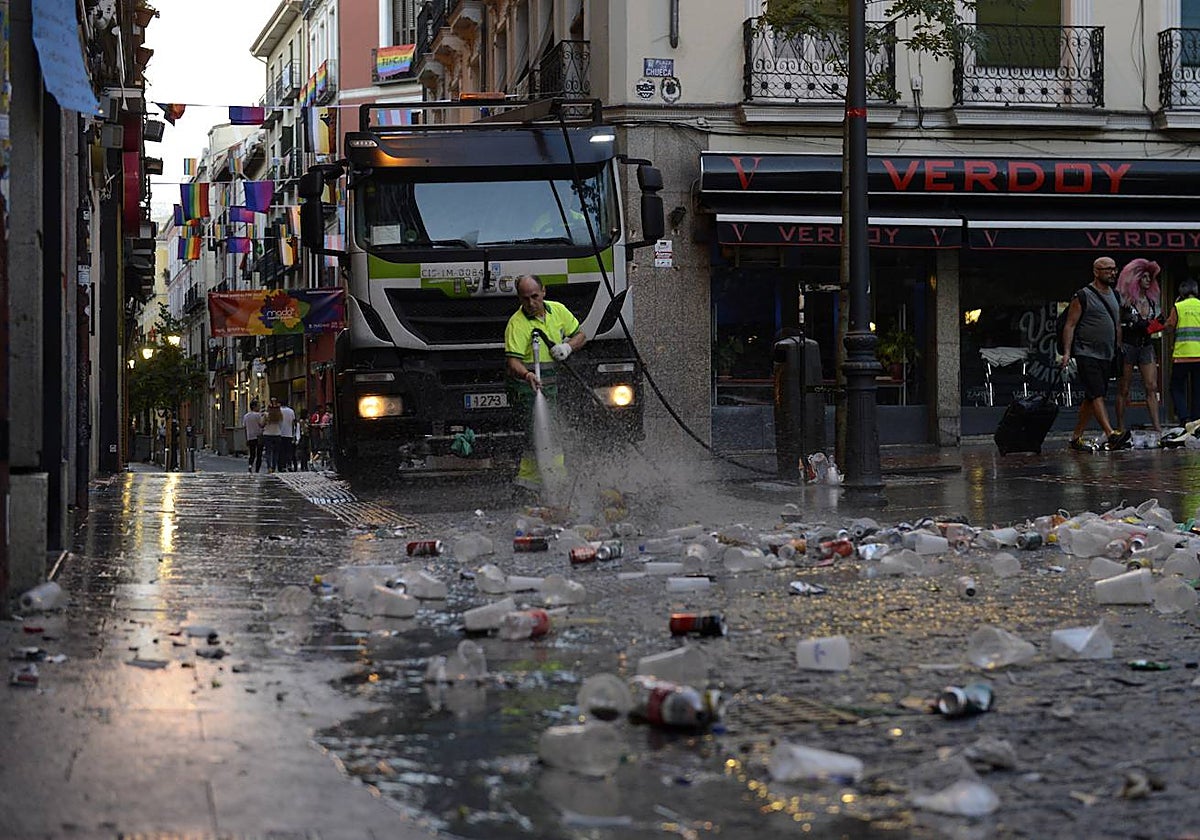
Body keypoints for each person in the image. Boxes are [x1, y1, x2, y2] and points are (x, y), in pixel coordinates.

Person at [504, 274, 587, 492]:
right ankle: (550, 482)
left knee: (548, 433)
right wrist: (527, 375)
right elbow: (513, 361)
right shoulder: (517, 324)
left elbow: (580, 335)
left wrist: (567, 347)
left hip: (553, 386)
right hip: (528, 389)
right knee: (542, 433)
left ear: (544, 292)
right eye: (525, 299)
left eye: (534, 296)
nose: (531, 303)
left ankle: (531, 483)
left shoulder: (558, 310)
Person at [1060, 256, 1131, 451]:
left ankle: (1076, 437)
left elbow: (1116, 325)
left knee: (1091, 396)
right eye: (1107, 269)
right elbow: (1070, 325)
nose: (1112, 273)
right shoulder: (1083, 295)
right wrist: (1067, 352)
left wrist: (1118, 347)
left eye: (1114, 269)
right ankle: (1111, 434)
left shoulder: (1115, 296)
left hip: (1107, 354)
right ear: (1096, 272)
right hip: (1086, 352)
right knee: (1097, 392)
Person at [1115, 258, 1163, 434]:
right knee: (1124, 388)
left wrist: (1156, 325)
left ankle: (1157, 427)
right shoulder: (1126, 302)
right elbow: (1118, 324)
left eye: (1150, 277)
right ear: (1136, 279)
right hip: (1128, 345)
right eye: (1144, 277)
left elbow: (1157, 322)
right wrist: (1118, 345)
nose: (1148, 280)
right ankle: (1120, 427)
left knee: (1151, 386)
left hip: (1146, 345)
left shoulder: (1152, 302)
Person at [1165, 279, 1200, 425]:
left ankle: (1184, 418)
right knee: (1198, 389)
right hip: (1199, 356)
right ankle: (1197, 419)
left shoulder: (1178, 307)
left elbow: (1168, 327)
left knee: (1176, 387)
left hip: (1182, 356)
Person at [262, 397, 283, 473]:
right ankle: (274, 467)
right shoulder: (279, 414)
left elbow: (262, 423)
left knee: (268, 452)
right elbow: (281, 424)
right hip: (277, 433)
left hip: (267, 434)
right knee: (276, 452)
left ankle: (269, 467)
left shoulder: (266, 414)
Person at [243, 399, 264, 473]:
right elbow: (261, 424)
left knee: (252, 454)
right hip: (258, 436)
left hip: (250, 436)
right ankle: (257, 470)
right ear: (254, 407)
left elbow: (245, 428)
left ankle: (250, 465)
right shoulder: (258, 415)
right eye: (258, 406)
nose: (259, 408)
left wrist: (246, 438)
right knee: (259, 454)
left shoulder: (246, 416)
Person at [279, 398, 297, 471]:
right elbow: (293, 423)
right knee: (288, 451)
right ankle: (289, 464)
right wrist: (293, 433)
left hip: (280, 433)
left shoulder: (279, 411)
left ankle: (282, 466)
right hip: (289, 433)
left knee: (281, 451)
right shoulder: (291, 411)